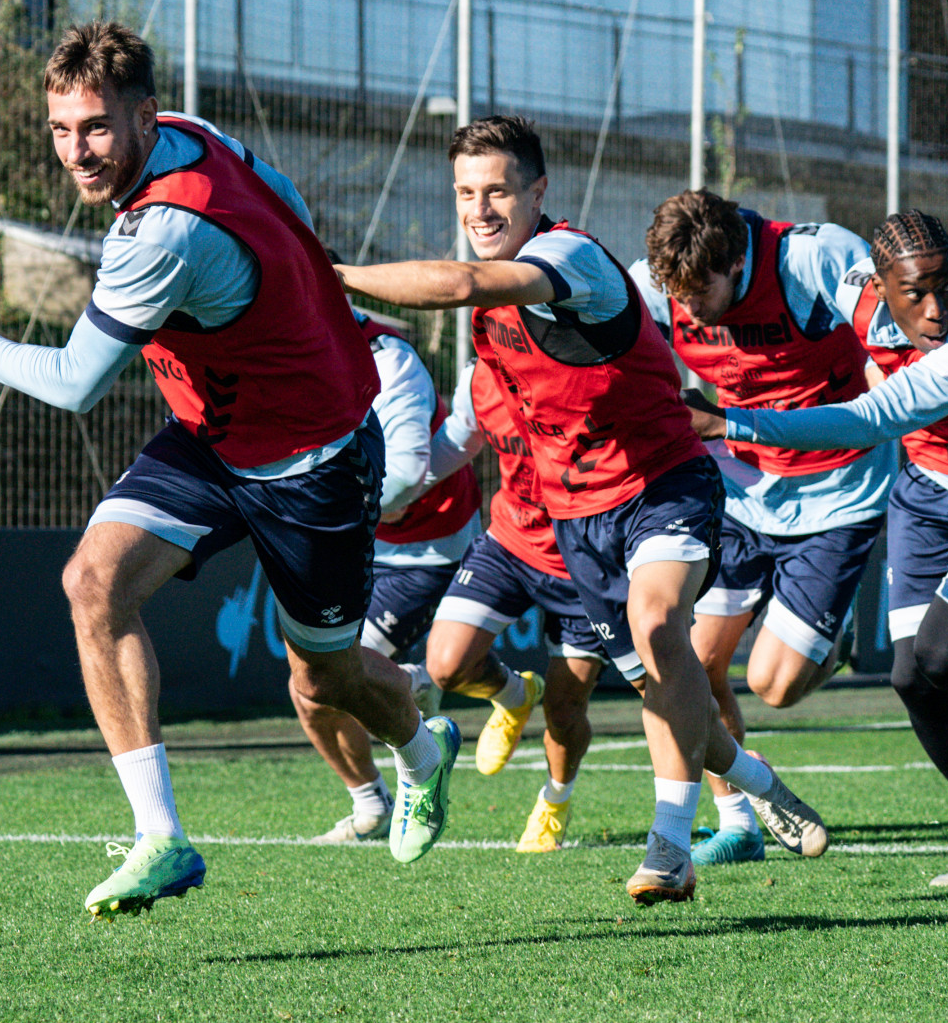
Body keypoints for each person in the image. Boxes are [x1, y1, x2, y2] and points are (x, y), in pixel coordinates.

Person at [0, 21, 461, 917]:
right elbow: (284, 199)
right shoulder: (192, 134)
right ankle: (161, 837)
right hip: (213, 435)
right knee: (93, 581)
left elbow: (76, 383)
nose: (76, 152)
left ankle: (424, 751)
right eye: (59, 129)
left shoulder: (159, 234)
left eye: (94, 128)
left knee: (327, 679)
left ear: (142, 117)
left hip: (314, 459)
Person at [337, 115, 828, 904]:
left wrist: (334, 275)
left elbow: (463, 280)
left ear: (538, 191)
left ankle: (670, 850)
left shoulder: (566, 258)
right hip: (575, 522)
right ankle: (759, 782)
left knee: (660, 628)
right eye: (466, 192)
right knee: (659, 687)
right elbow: (464, 431)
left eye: (498, 189)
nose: (481, 208)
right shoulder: (488, 324)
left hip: (663, 484)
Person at [689, 209, 948, 888]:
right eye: (916, 291)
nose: (936, 306)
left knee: (943, 654)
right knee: (909, 677)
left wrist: (729, 418)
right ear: (880, 287)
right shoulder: (858, 296)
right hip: (928, 487)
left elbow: (869, 417)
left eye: (946, 283)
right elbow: (814, 277)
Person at [633, 191, 894, 869]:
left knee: (773, 685)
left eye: (701, 291)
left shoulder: (813, 255)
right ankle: (738, 818)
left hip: (839, 487)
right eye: (675, 293)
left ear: (738, 260)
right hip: (743, 489)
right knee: (697, 662)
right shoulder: (657, 287)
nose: (687, 308)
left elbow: (894, 338)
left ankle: (825, 643)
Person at [419, 354, 622, 852]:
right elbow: (451, 446)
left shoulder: (591, 371)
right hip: (511, 541)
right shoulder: (479, 377)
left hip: (588, 558)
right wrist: (385, 489)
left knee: (565, 707)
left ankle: (555, 799)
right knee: (445, 665)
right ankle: (512, 695)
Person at [298, 304, 483, 846]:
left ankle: (417, 687)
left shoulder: (389, 358)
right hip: (353, 539)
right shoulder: (281, 346)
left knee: (334, 677)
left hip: (424, 545)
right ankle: (371, 802)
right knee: (309, 688)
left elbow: (404, 474)